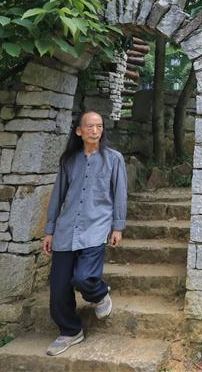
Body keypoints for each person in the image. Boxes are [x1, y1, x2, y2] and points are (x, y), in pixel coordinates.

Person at [41, 110, 127, 356]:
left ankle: (100, 294)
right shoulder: (68, 161)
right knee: (58, 287)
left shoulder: (114, 159)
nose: (95, 130)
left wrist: (117, 226)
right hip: (67, 229)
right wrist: (50, 230)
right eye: (89, 126)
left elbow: (119, 193)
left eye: (99, 126)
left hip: (96, 226)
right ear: (79, 131)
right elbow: (58, 195)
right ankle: (70, 331)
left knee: (83, 278)